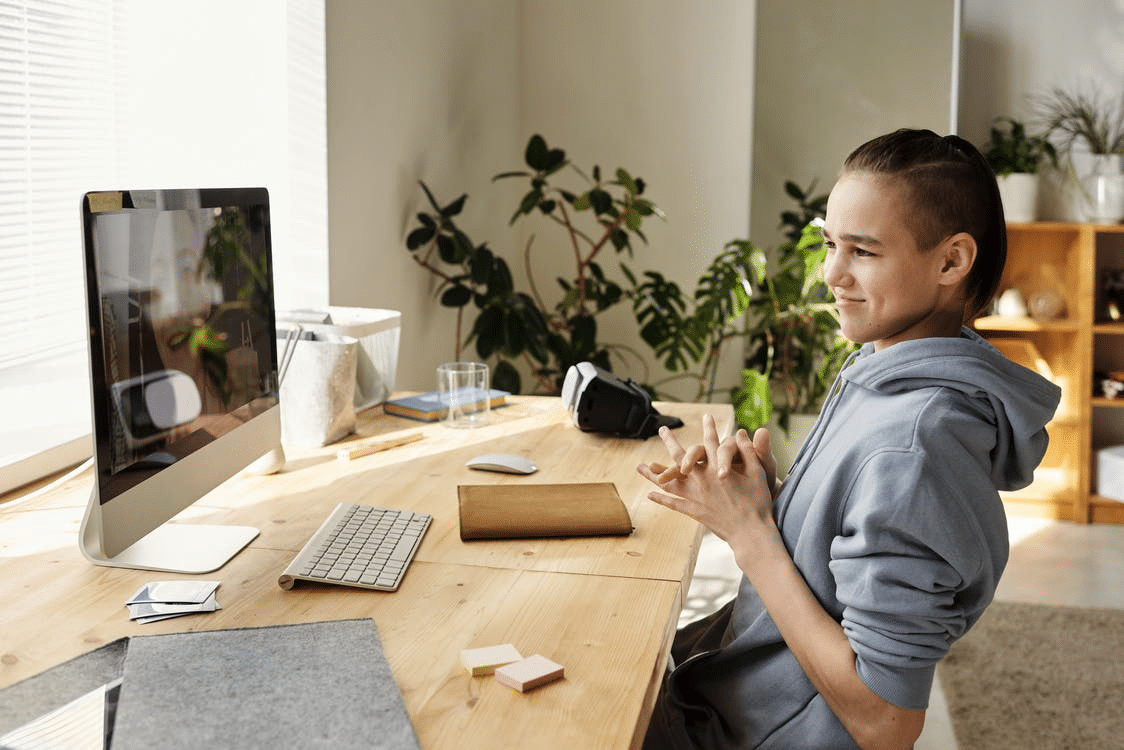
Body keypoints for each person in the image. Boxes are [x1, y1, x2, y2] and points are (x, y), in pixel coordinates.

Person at [636, 129, 1062, 750]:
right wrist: (761, 499)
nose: (831, 274)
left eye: (863, 252)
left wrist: (751, 536)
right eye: (831, 242)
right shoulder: (886, 369)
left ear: (950, 261)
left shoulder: (917, 447)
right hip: (722, 705)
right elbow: (848, 555)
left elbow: (887, 723)